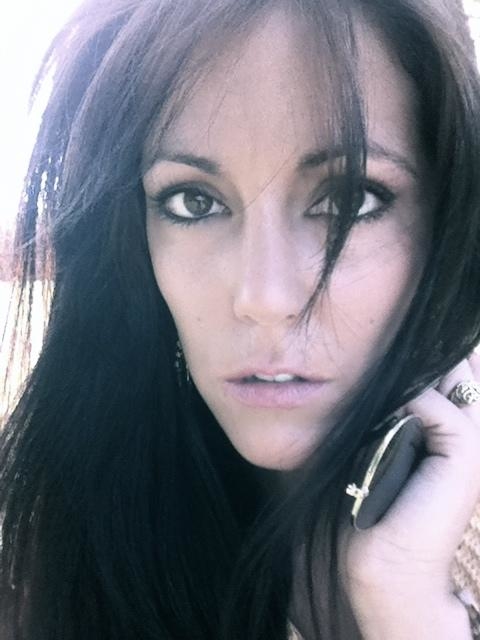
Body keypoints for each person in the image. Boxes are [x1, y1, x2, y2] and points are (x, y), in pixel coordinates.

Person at [2, 0, 480, 638]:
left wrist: (411, 609)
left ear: (449, 223)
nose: (264, 297)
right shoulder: (52, 543)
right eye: (193, 202)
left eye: (349, 199)